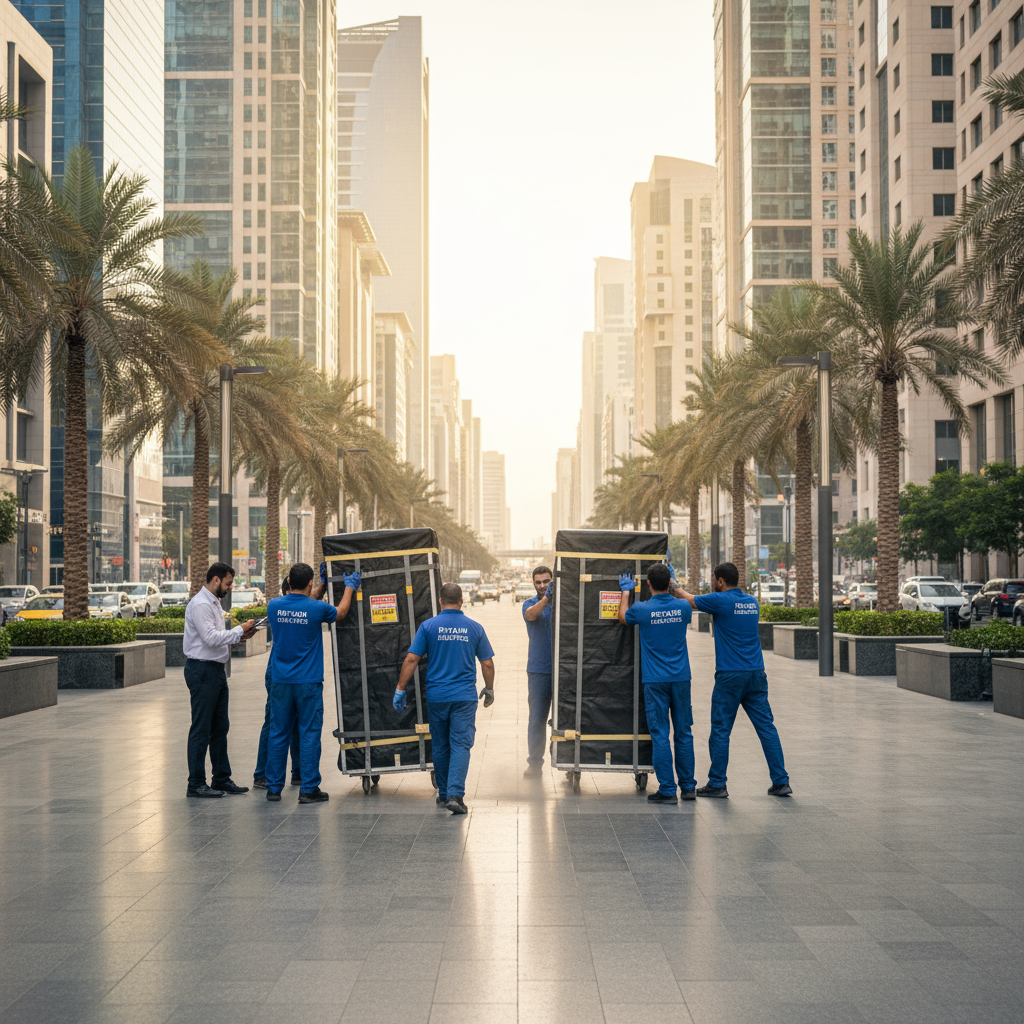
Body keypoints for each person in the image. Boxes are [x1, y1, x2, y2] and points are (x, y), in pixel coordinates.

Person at [673, 561, 792, 799]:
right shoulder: (752, 602)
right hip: (757, 673)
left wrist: (672, 583)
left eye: (713, 579)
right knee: (767, 728)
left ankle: (717, 783)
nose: (711, 583)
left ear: (720, 581)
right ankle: (781, 781)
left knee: (720, 730)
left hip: (730, 675)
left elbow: (690, 599)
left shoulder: (721, 600)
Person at [395, 583, 495, 814]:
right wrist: (489, 689)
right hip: (464, 698)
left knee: (440, 744)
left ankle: (443, 793)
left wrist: (400, 688)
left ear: (440, 601)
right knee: (460, 744)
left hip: (437, 696)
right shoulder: (475, 627)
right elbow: (487, 663)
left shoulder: (428, 626)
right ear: (461, 601)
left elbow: (412, 659)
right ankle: (455, 796)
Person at [264, 561, 360, 804]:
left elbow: (303, 600)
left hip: (281, 681)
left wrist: (324, 584)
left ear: (287, 582)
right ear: (309, 583)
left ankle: (273, 788)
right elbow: (340, 612)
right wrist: (349, 587)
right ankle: (308, 789)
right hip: (308, 683)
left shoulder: (274, 606)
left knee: (278, 733)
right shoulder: (317, 609)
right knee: (308, 734)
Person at [618, 561, 695, 804]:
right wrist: (675, 585)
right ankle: (689, 788)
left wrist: (626, 591)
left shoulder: (641, 609)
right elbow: (684, 602)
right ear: (669, 581)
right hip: (681, 678)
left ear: (648, 583)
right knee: (683, 732)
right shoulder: (683, 607)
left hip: (655, 681)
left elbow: (622, 617)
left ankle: (668, 790)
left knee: (660, 734)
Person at [182, 562, 259, 798]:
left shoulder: (213, 603)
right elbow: (210, 638)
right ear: (215, 580)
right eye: (227, 583)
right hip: (202, 670)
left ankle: (221, 779)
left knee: (220, 728)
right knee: (201, 729)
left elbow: (217, 638)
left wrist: (240, 636)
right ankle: (195, 783)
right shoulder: (201, 604)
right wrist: (238, 629)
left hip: (215, 671)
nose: (229, 588)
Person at [252, 575, 301, 790]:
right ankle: (262, 774)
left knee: (295, 725)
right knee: (274, 723)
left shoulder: (283, 607)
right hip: (278, 675)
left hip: (286, 674)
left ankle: (297, 772)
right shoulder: (281, 607)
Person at [521, 565, 554, 778]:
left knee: (566, 717)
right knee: (537, 719)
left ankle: (567, 758)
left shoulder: (565, 602)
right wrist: (547, 599)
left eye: (546, 582)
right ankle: (535, 764)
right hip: (539, 670)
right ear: (533, 583)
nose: (542, 586)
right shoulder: (531, 603)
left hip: (564, 669)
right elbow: (531, 616)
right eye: (538, 582)